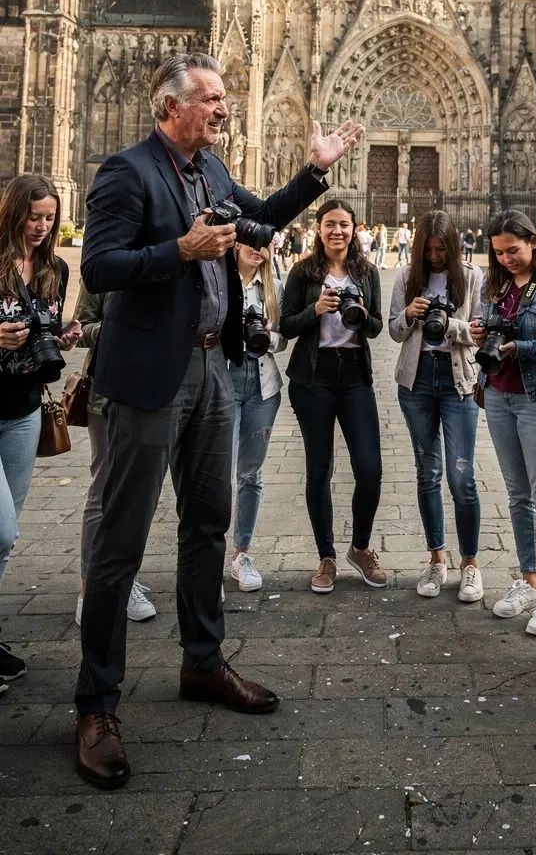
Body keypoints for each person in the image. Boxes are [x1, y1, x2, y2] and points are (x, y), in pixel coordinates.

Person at [74, 50, 362, 790]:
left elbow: (260, 219)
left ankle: (202, 662)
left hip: (212, 366)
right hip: (148, 376)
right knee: (119, 543)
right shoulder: (127, 172)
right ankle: (97, 703)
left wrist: (315, 171)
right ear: (169, 107)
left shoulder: (210, 174)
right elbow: (101, 267)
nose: (225, 109)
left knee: (209, 524)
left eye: (226, 100)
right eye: (212, 100)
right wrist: (181, 249)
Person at [471, 210, 536, 637]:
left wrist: (522, 346)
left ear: (534, 242)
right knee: (517, 495)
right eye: (499, 252)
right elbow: (487, 329)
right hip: (498, 394)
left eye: (513, 250)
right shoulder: (493, 287)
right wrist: (482, 334)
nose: (507, 258)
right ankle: (529, 579)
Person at [0, 175, 80, 693]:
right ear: (13, 215)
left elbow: (48, 331)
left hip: (26, 411)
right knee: (2, 530)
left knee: (3, 543)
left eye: (49, 217)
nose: (42, 226)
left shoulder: (55, 269)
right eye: (34, 217)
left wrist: (64, 336)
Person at [280, 200, 386, 594]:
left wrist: (358, 311)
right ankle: (327, 555)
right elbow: (286, 325)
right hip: (313, 376)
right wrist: (316, 309)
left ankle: (359, 548)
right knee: (319, 470)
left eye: (343, 224)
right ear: (318, 229)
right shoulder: (302, 272)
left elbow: (374, 327)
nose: (336, 231)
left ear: (354, 228)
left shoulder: (367, 272)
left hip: (355, 374)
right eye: (329, 224)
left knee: (370, 469)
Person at [389, 210, 483, 601]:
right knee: (427, 472)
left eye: (440, 249)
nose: (434, 256)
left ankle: (471, 564)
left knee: (462, 477)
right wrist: (410, 315)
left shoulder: (473, 277)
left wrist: (449, 326)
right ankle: (436, 557)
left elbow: (478, 331)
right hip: (416, 382)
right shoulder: (405, 278)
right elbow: (393, 331)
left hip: (457, 380)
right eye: (427, 250)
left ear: (452, 245)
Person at [73, 282, 156, 628]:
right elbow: (80, 328)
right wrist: (121, 329)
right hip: (105, 393)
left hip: (151, 391)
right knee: (103, 489)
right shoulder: (105, 264)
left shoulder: (164, 259)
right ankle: (89, 589)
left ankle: (124, 580)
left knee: (135, 494)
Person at [228, 237, 287, 592]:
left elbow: (283, 337)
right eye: (250, 242)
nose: (257, 249)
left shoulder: (274, 287)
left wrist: (268, 335)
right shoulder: (218, 282)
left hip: (264, 386)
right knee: (217, 474)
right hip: (224, 381)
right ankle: (207, 553)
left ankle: (241, 553)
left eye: (264, 244)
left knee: (250, 473)